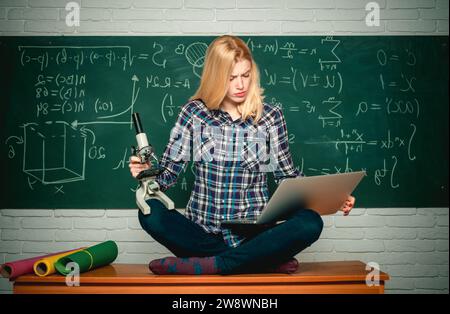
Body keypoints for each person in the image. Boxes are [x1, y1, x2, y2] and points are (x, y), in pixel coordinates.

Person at [129, 35, 355, 275]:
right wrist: (147, 173)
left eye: (246, 75)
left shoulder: (270, 116)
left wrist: (331, 197)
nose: (241, 85)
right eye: (231, 78)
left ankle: (216, 264)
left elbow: (288, 177)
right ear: (216, 78)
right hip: (203, 234)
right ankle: (260, 262)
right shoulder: (193, 112)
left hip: (254, 234)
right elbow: (167, 173)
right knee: (150, 213)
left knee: (311, 222)